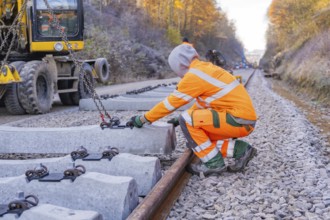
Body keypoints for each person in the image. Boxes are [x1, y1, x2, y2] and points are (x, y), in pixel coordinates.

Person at [127, 42, 257, 176]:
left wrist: (143, 119)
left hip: (237, 120)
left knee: (187, 120)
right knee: (198, 140)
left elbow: (170, 104)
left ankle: (214, 164)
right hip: (241, 119)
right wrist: (178, 119)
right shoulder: (204, 68)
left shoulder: (193, 76)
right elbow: (202, 104)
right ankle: (241, 150)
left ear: (179, 65)